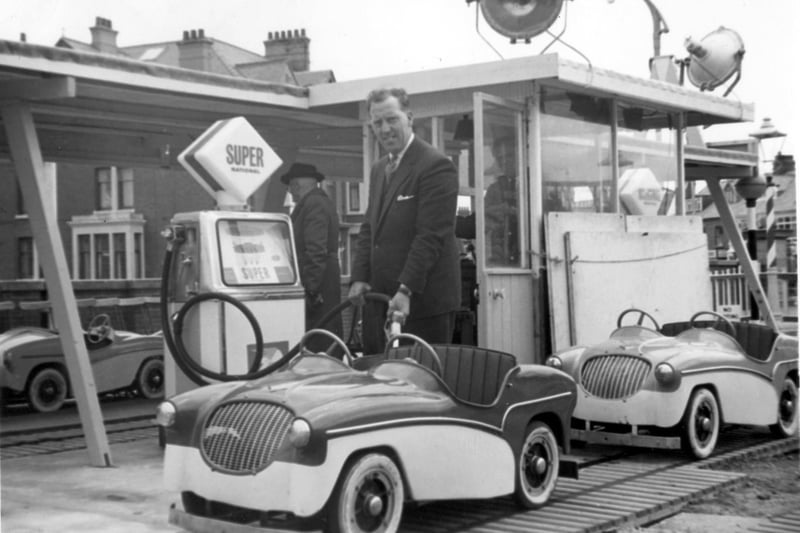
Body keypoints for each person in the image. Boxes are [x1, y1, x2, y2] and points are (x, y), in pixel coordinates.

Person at [348, 87, 461, 354]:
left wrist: (406, 290)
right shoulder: (378, 170)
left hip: (422, 305)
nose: (385, 129)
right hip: (382, 301)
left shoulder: (435, 166)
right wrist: (359, 277)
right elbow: (369, 228)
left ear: (409, 118)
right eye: (377, 122)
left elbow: (430, 236)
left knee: (420, 385)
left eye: (392, 119)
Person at [281, 162, 342, 350]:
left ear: (297, 185)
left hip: (319, 287)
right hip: (323, 283)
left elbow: (316, 251)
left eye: (291, 187)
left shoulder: (313, 204)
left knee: (319, 340)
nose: (290, 192)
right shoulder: (318, 202)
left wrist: (310, 290)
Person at [484, 135, 520, 266]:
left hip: (527, 255)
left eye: (509, 156)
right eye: (500, 158)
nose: (504, 161)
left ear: (520, 155)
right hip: (500, 257)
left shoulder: (533, 185)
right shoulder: (494, 190)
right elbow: (483, 223)